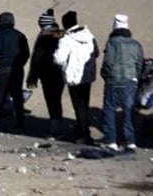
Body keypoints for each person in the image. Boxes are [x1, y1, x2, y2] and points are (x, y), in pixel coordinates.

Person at [100, 13, 144, 152]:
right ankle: (130, 141)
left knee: (109, 110)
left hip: (114, 80)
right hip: (130, 82)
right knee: (128, 111)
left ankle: (111, 140)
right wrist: (135, 78)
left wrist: (105, 75)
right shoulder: (136, 44)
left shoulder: (112, 42)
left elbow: (108, 63)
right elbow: (139, 64)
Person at [53, 10, 98, 144]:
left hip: (74, 77)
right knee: (84, 105)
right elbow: (95, 52)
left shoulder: (66, 39)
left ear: (65, 24)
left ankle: (84, 135)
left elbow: (59, 58)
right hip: (87, 76)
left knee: (78, 106)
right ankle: (81, 130)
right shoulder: (89, 35)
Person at [0, 12, 30, 133]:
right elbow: (26, 54)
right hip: (17, 70)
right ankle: (20, 124)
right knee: (17, 97)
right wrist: (19, 64)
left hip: (3, 70)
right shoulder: (20, 35)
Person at [26, 9, 65, 139]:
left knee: (52, 101)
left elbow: (37, 57)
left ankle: (56, 130)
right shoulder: (61, 33)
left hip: (48, 74)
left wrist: (33, 77)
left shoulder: (44, 36)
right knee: (57, 100)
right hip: (61, 73)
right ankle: (59, 127)